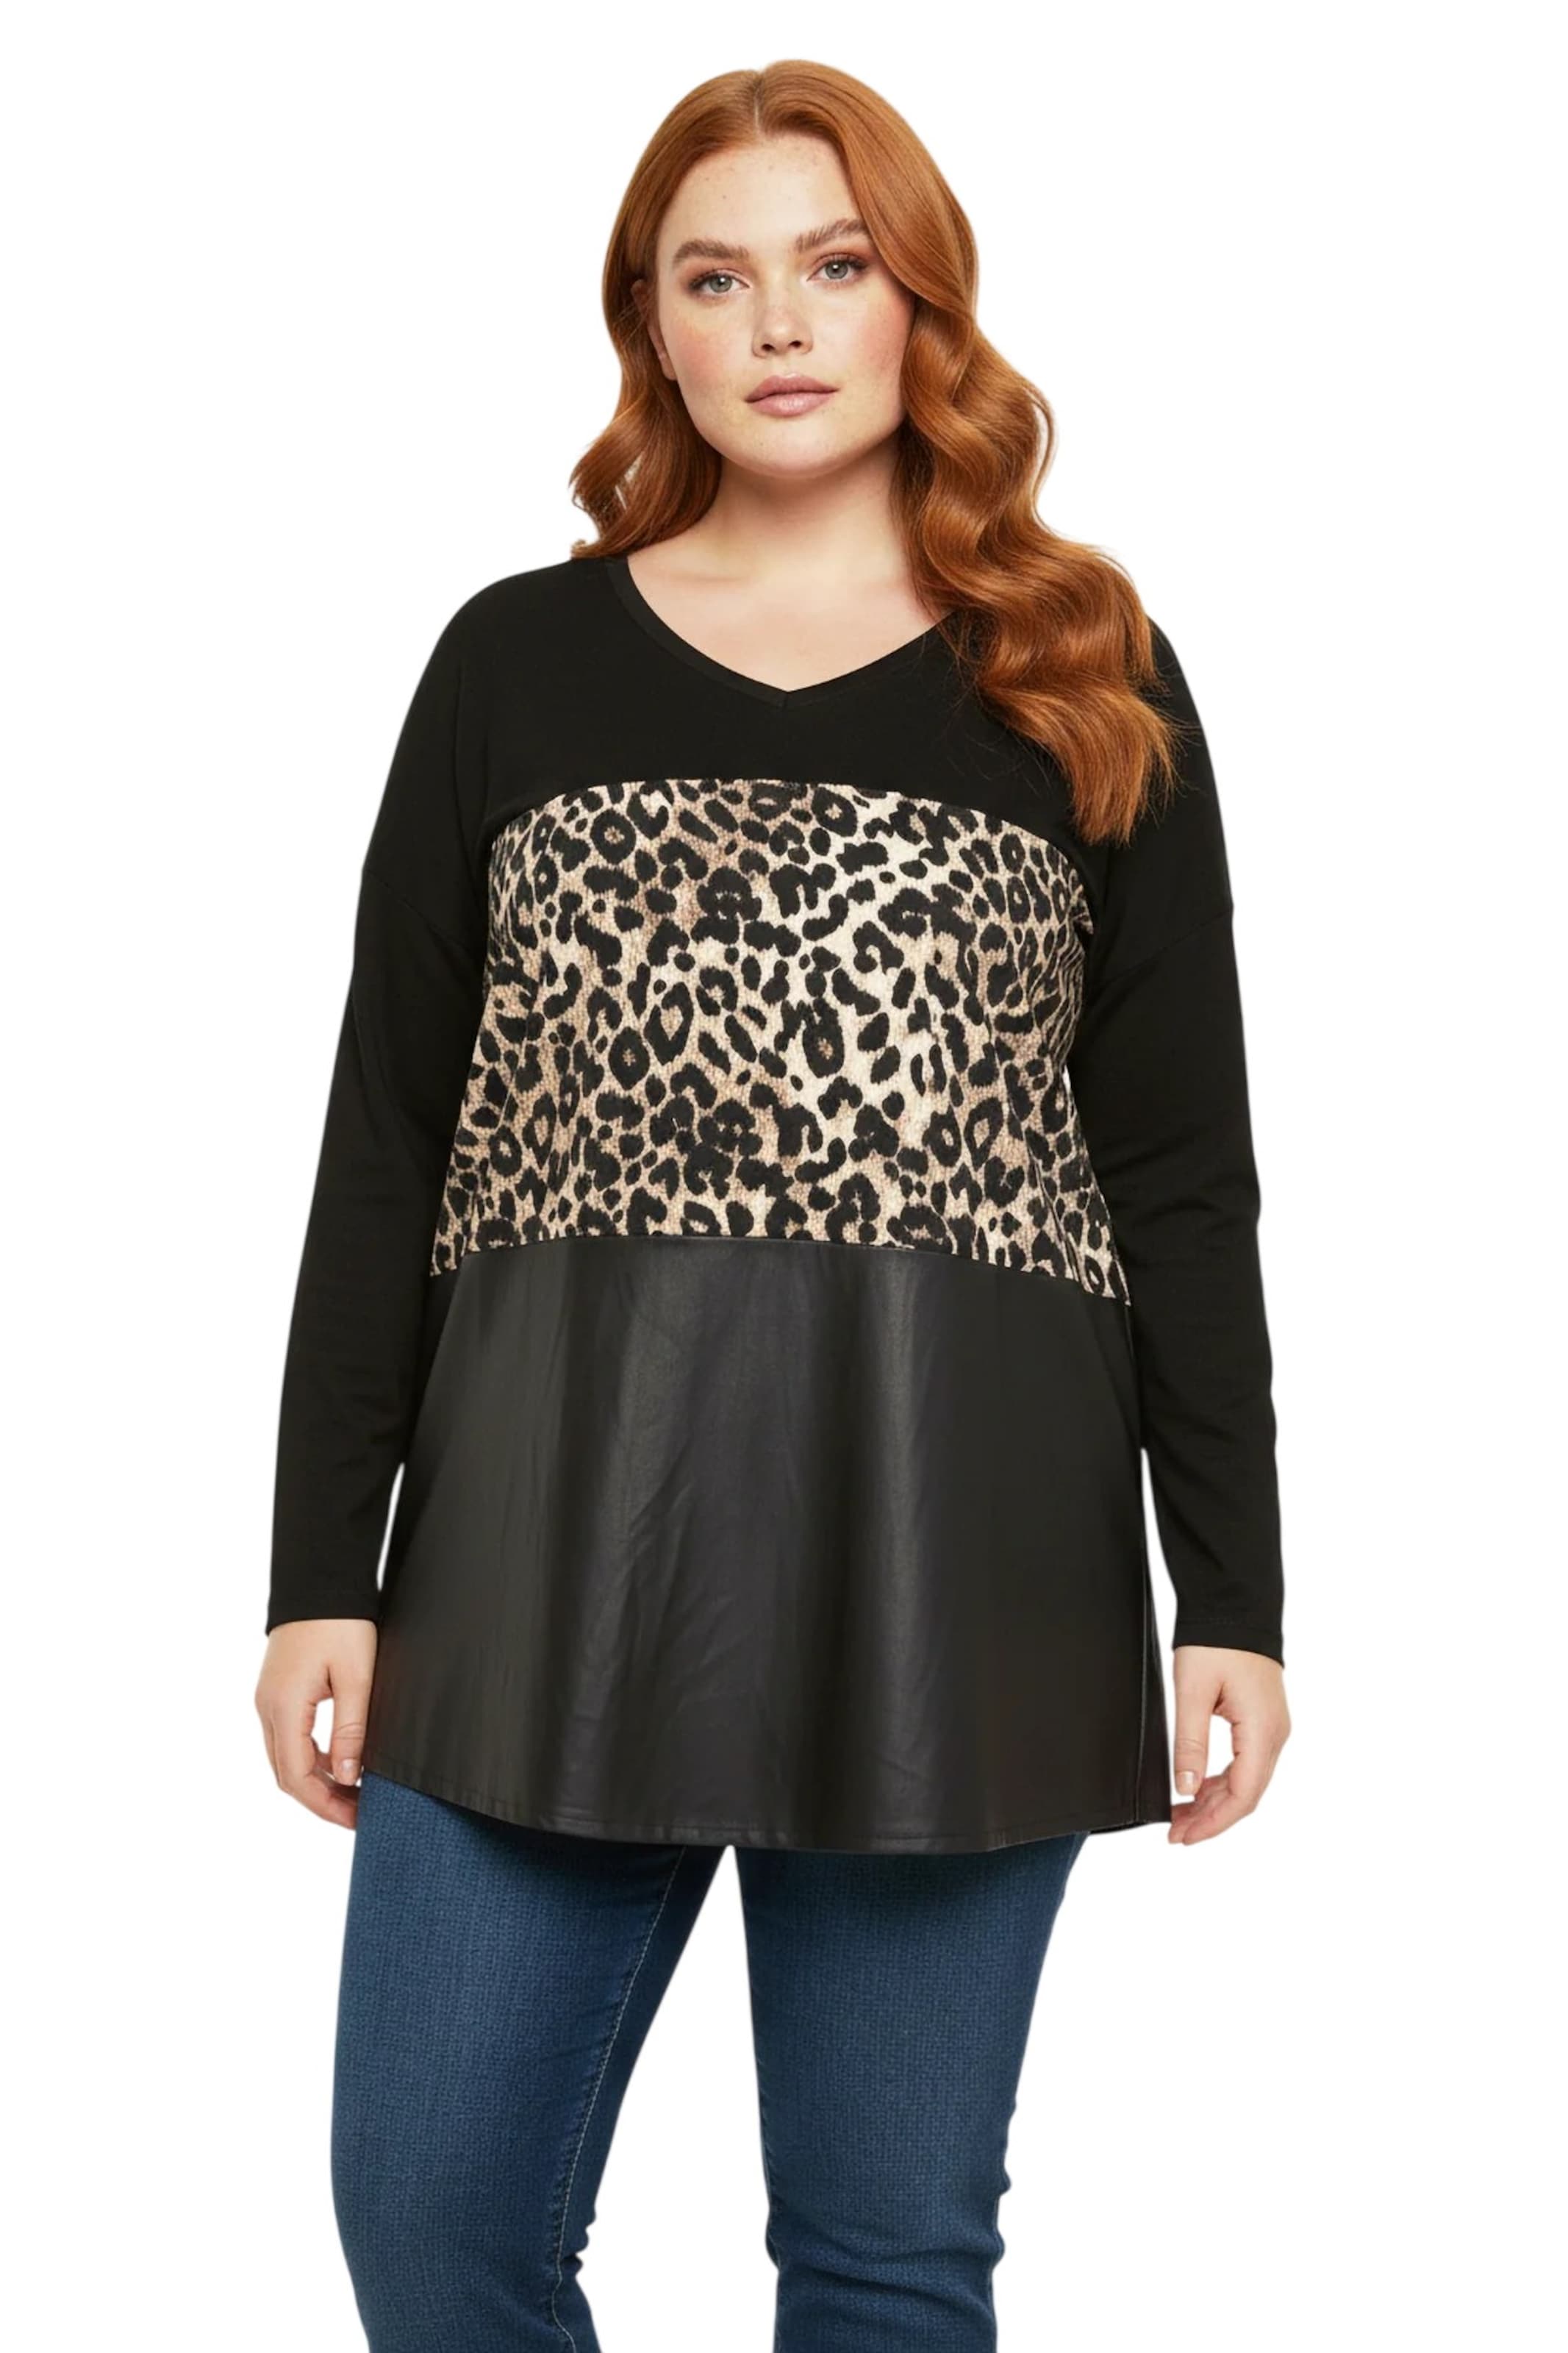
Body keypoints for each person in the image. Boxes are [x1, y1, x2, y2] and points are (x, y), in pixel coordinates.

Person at [254, 57, 1291, 2352]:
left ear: (925, 301)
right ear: (654, 322)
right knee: (429, 2219)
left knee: (888, 2260)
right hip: (545, 1533)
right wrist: (326, 1562)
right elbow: (389, 1134)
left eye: (836, 264)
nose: (784, 323)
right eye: (715, 278)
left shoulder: (1084, 674)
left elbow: (1178, 1171)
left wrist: (1232, 1588)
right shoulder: (512, 664)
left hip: (962, 1547)